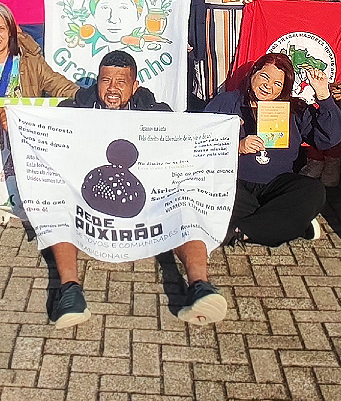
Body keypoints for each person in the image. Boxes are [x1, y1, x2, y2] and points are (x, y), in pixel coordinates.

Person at [46, 52, 223, 327]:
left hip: (150, 200)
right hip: (86, 200)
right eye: (106, 80)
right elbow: (46, 137)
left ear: (135, 86)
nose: (112, 88)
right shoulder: (73, 110)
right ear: (97, 83)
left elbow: (185, 142)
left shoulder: (158, 114)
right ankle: (70, 291)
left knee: (185, 204)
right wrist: (18, 125)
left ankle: (200, 286)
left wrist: (225, 133)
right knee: (57, 203)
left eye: (121, 81)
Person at [203, 53, 341, 246]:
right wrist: (236, 147)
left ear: (284, 88)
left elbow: (330, 137)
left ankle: (242, 231)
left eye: (278, 84)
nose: (268, 86)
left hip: (277, 186)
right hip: (235, 184)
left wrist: (324, 96)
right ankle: (291, 223)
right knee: (208, 193)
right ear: (254, 73)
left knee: (314, 190)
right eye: (264, 77)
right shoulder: (227, 102)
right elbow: (200, 142)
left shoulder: (295, 109)